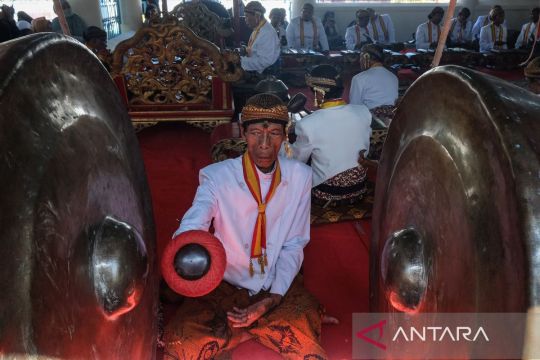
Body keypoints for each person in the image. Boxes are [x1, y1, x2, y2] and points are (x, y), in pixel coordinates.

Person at [164, 93, 327, 359]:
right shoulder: (217, 176)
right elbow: (197, 218)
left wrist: (272, 298)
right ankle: (255, 328)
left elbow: (294, 242)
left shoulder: (300, 176)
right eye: (255, 133)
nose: (264, 144)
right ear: (242, 132)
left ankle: (246, 326)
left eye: (274, 133)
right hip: (225, 279)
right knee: (182, 341)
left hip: (273, 279)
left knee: (303, 325)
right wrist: (186, 242)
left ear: (285, 135)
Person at [288, 64, 372, 205]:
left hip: (327, 193)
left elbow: (296, 161)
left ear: (320, 93)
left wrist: (283, 142)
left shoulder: (307, 124)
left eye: (312, 91)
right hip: (359, 186)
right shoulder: (363, 112)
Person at [349, 44, 398, 125]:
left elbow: (355, 107)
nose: (359, 61)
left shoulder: (359, 78)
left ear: (366, 57)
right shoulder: (393, 77)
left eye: (360, 57)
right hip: (392, 124)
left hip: (371, 125)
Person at [240, 1, 280, 74]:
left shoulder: (267, 32)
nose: (245, 19)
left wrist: (240, 61)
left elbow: (264, 62)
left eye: (247, 16)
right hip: (255, 69)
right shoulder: (259, 28)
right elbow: (255, 51)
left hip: (264, 75)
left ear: (257, 16)